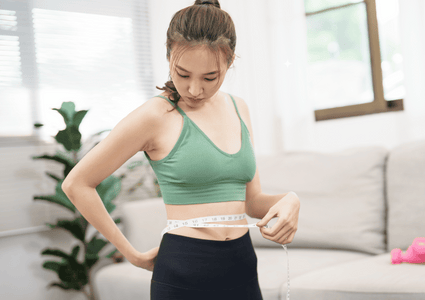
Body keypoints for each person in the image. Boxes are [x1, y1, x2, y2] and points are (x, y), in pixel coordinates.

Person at [62, 0, 301, 299]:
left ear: (230, 62)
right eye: (183, 74)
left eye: (210, 77)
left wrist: (290, 200)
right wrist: (131, 253)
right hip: (185, 270)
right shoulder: (155, 116)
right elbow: (77, 183)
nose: (194, 90)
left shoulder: (239, 108)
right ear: (168, 55)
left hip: (242, 265)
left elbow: (251, 203)